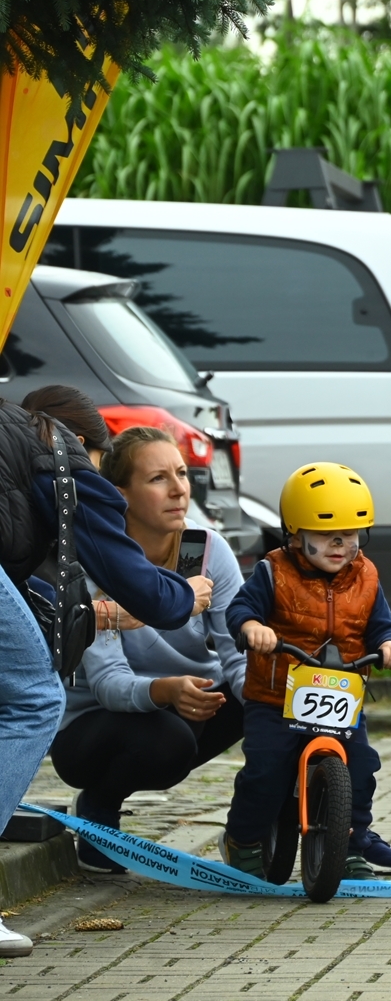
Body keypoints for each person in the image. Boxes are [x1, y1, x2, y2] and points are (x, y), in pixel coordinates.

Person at [0, 387, 194, 957]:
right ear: (84, 441)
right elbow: (139, 587)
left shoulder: (14, 439)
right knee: (35, 699)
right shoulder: (58, 455)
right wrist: (186, 597)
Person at [49, 426, 245, 874]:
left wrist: (266, 700)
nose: (179, 489)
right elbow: (109, 683)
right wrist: (166, 690)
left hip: (185, 702)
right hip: (93, 726)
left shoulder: (204, 548)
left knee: (268, 697)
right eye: (158, 478)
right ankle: (100, 806)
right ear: (120, 495)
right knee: (168, 740)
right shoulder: (94, 560)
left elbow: (238, 652)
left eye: (181, 473)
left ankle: (251, 828)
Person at [222, 462, 391, 879]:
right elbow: (240, 608)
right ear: (295, 535)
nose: (340, 545)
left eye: (350, 535)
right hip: (276, 698)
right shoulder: (273, 572)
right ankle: (243, 839)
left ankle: (350, 844)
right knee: (267, 770)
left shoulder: (366, 577)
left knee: (360, 767)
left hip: (339, 695)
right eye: (327, 535)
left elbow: (383, 623)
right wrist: (252, 627)